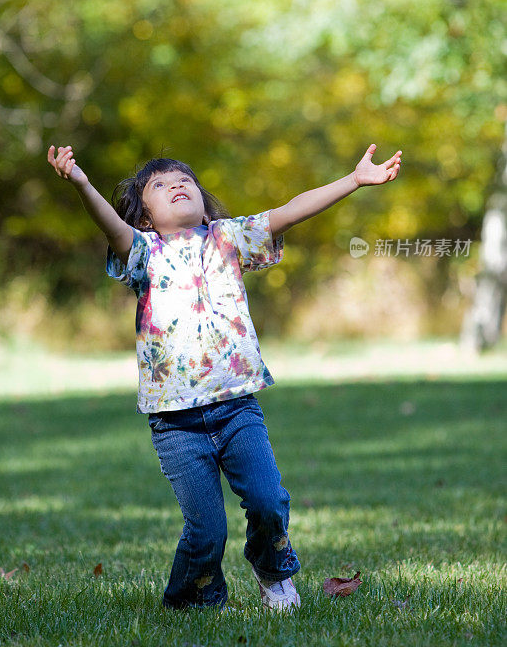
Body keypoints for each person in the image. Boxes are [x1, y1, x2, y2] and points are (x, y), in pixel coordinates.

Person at [47, 142, 402, 612]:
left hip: (237, 408)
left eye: (184, 179)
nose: (176, 185)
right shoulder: (143, 252)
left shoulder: (229, 238)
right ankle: (194, 601)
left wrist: (353, 181)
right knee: (206, 530)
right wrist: (81, 183)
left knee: (269, 500)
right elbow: (111, 228)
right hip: (175, 423)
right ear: (145, 216)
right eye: (160, 184)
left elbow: (291, 212)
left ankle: (272, 570)